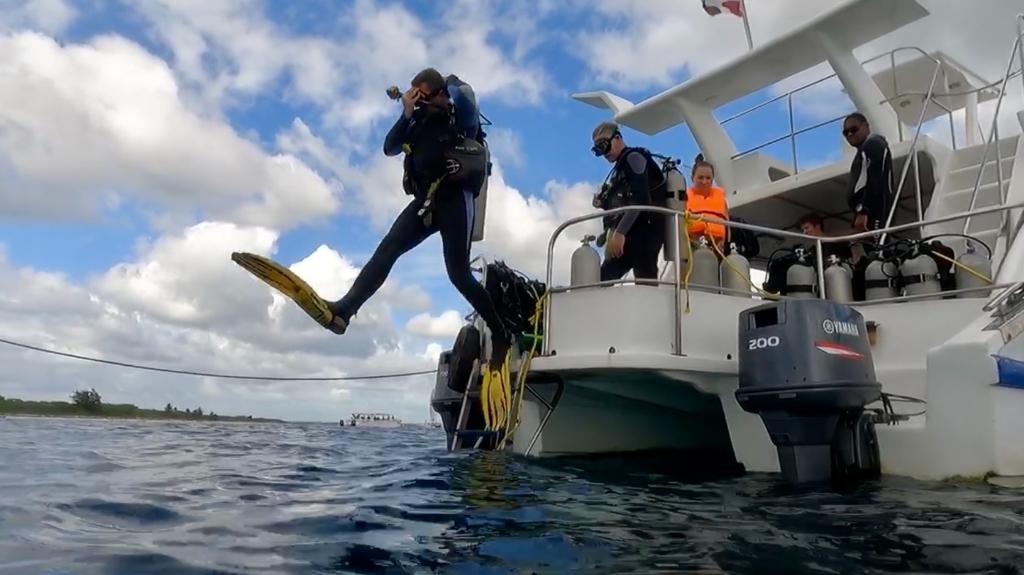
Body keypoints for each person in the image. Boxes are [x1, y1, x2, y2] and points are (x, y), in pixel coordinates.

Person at [327, 68, 512, 362]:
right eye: (416, 96)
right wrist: (408, 112)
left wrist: (448, 85)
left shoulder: (458, 119)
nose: (420, 102)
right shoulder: (416, 122)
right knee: (388, 248)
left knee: (459, 275)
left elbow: (465, 97)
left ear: (440, 95)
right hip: (426, 202)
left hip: (455, 200)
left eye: (424, 96)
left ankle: (501, 333)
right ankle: (344, 311)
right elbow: (389, 147)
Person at [589, 121, 667, 283]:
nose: (604, 154)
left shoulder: (634, 158)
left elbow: (641, 200)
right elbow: (624, 199)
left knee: (645, 278)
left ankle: (649, 306)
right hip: (631, 233)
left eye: (604, 146)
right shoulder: (621, 167)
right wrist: (603, 203)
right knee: (600, 280)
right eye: (599, 150)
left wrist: (620, 232)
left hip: (645, 231)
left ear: (617, 138)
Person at [843, 112, 894, 232]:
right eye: (845, 132)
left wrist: (864, 210)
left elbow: (875, 178)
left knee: (877, 248)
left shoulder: (873, 144)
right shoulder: (864, 149)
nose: (850, 134)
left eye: (853, 129)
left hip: (873, 213)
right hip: (869, 212)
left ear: (866, 126)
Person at [685, 157, 729, 252]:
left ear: (712, 179)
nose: (704, 182)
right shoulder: (684, 198)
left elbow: (727, 224)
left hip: (718, 246)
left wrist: (725, 243)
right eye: (700, 178)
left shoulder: (721, 198)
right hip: (693, 244)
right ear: (692, 178)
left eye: (708, 178)